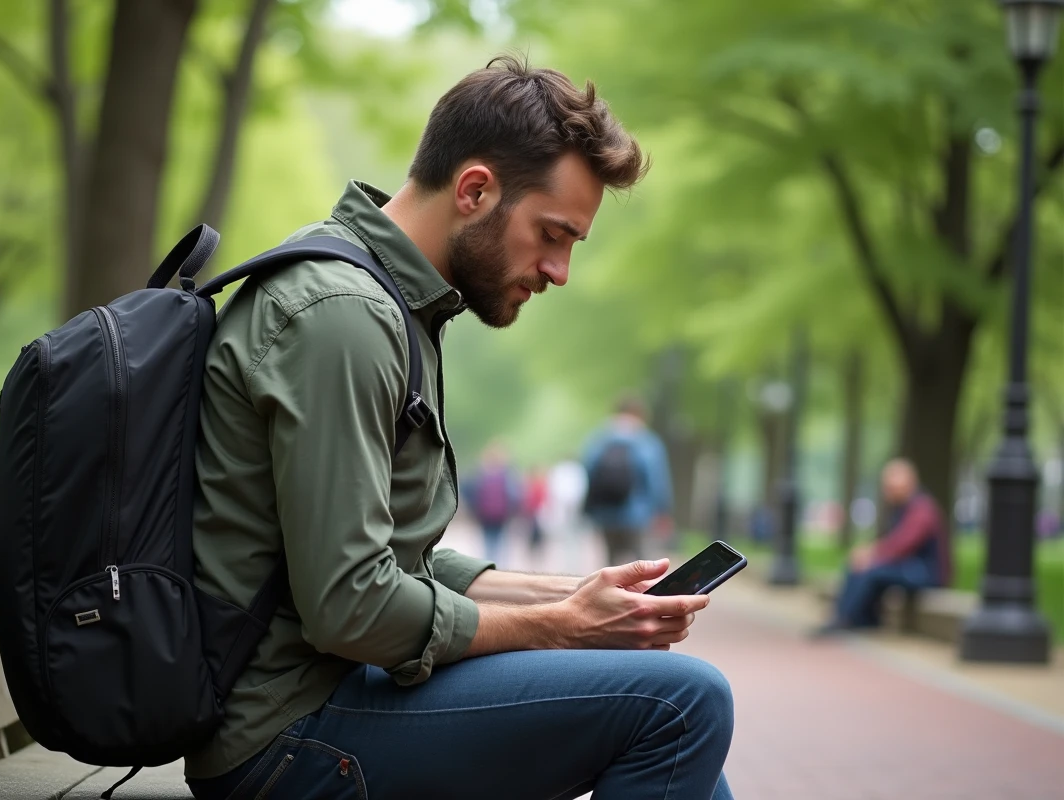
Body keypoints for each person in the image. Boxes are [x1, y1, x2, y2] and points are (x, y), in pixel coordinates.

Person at [186, 56, 734, 800]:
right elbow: (352, 607)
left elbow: (390, 561)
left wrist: (573, 594)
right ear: (475, 191)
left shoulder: (385, 302)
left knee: (678, 723)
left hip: (328, 693)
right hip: (284, 739)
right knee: (685, 703)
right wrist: (564, 625)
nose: (560, 271)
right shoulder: (343, 318)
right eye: (552, 234)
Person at [813, 458, 953, 636]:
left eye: (893, 487)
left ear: (909, 484)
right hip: (910, 566)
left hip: (927, 572)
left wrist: (873, 553)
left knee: (871, 570)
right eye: (887, 487)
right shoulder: (901, 508)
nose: (888, 492)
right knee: (861, 566)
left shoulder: (922, 509)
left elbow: (904, 543)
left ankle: (844, 619)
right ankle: (859, 618)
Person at [582, 394, 675, 565]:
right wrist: (662, 510)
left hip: (605, 512)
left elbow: (588, 471)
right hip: (638, 513)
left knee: (610, 562)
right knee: (642, 563)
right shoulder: (646, 440)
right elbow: (656, 480)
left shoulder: (600, 438)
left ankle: (609, 582)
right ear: (641, 414)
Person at [461, 441, 521, 563]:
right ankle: (500, 566)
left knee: (488, 542)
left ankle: (489, 564)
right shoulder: (506, 474)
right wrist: (514, 512)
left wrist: (473, 510)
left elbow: (468, 491)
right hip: (502, 515)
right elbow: (514, 495)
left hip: (484, 515)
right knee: (501, 542)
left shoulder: (480, 473)